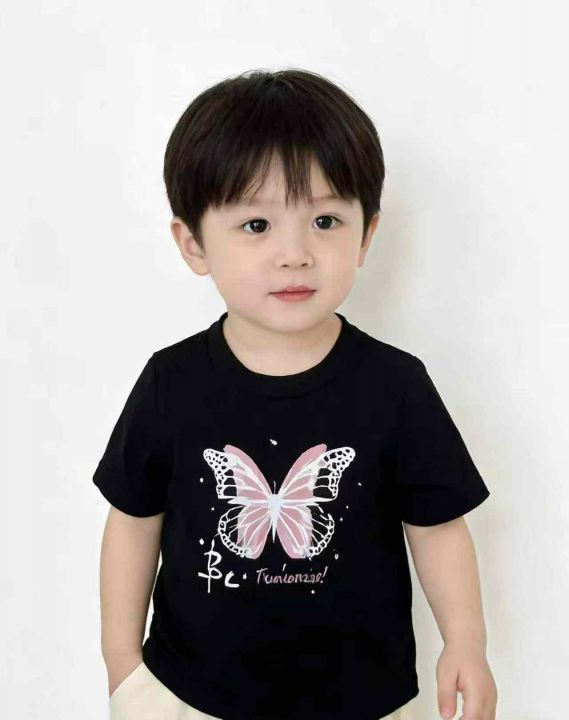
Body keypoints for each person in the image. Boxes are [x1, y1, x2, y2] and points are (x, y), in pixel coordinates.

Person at [93, 68, 498, 720]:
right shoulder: (172, 382)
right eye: (256, 225)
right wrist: (123, 666)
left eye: (325, 220)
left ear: (366, 235)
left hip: (365, 700)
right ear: (193, 244)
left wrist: (466, 643)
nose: (294, 253)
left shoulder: (394, 385)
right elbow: (133, 518)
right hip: (192, 696)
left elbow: (437, 524)